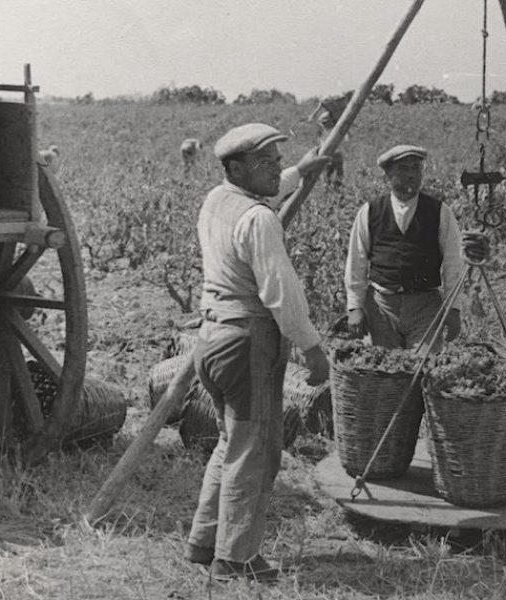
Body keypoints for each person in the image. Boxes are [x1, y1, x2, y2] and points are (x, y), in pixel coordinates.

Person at [185, 123, 333, 582]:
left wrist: (300, 171)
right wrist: (312, 349)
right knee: (257, 451)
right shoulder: (260, 219)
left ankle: (203, 541)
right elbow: (281, 294)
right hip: (248, 342)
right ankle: (237, 557)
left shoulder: (217, 200)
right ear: (236, 168)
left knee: (233, 442)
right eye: (265, 162)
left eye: (276, 160)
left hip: (211, 340)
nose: (275, 169)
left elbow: (266, 192)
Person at [344, 145, 464, 350]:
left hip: (424, 306)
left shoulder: (440, 212)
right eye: (403, 169)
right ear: (388, 174)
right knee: (386, 371)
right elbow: (357, 261)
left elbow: (454, 263)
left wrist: (453, 309)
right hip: (382, 307)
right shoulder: (370, 211)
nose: (411, 175)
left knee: (423, 371)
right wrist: (355, 306)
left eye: (416, 168)